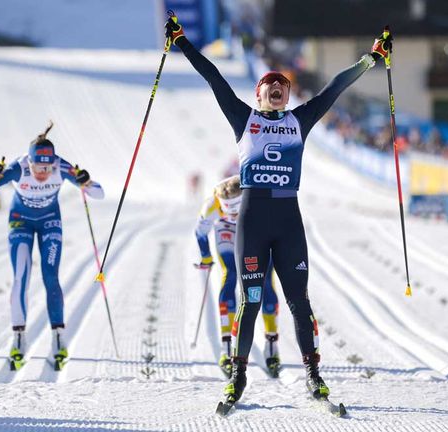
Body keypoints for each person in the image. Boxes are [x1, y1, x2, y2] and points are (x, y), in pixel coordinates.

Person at [166, 15, 392, 404]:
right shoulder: (244, 119)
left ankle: (314, 375)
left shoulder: (300, 120)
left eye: (282, 86)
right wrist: (182, 41)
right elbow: (214, 77)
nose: (275, 88)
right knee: (250, 300)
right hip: (253, 219)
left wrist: (371, 58)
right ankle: (237, 378)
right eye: (268, 85)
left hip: (288, 221)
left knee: (298, 302)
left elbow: (334, 88)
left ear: (288, 97)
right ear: (258, 96)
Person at [0, 122, 104, 371]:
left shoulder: (62, 167)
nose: (43, 172)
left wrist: (86, 182)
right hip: (20, 222)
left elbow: (99, 194)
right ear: (29, 162)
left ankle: (59, 339)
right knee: (21, 276)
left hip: (50, 222)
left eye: (47, 167)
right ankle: (19, 339)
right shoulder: (17, 168)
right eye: (37, 167)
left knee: (50, 276)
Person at [194, 175, 280, 379]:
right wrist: (206, 256)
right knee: (230, 274)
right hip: (226, 232)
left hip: (254, 227)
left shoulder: (256, 195)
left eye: (236, 211)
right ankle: (227, 348)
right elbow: (200, 233)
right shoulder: (212, 206)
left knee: (266, 280)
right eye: (228, 211)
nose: (233, 215)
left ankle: (272, 347)